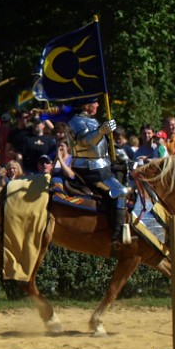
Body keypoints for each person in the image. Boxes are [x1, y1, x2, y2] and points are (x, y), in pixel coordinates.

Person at [67, 97, 131, 252]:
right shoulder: (76, 121)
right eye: (94, 102)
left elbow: (99, 146)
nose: (97, 105)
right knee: (120, 192)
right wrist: (102, 131)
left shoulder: (92, 121)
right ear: (86, 105)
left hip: (101, 165)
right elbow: (84, 142)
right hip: (89, 169)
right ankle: (116, 239)